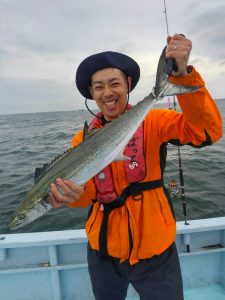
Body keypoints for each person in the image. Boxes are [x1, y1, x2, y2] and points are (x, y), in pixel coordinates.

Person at [50, 34, 222, 300]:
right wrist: (70, 197)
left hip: (155, 250)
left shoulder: (155, 122)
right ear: (92, 93)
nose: (107, 93)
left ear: (128, 84)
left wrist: (183, 76)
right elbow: (88, 193)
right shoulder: (81, 140)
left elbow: (206, 132)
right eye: (98, 87)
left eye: (114, 83)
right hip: (103, 251)